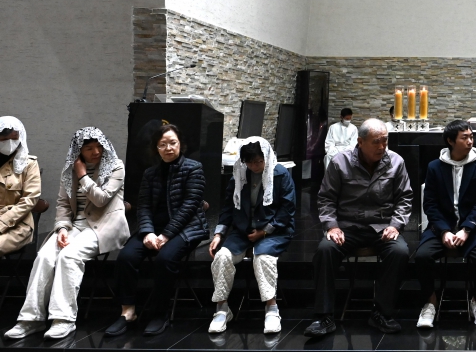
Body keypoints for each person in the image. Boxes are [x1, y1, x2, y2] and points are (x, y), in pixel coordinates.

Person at [5, 127, 128, 340]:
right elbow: (63, 204)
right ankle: (30, 319)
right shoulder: (69, 169)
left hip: (103, 226)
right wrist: (62, 228)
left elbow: (101, 199)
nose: (96, 152)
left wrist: (82, 175)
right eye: (89, 148)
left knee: (69, 256)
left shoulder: (115, 166)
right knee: (44, 256)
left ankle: (64, 320)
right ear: (79, 151)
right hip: (74, 226)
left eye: (98, 146)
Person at [306, 118, 412, 336]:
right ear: (360, 142)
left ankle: (382, 312)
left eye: (385, 141)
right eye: (376, 142)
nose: (382, 146)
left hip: (382, 227)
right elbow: (326, 198)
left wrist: (395, 225)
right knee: (325, 250)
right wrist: (331, 226)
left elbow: (405, 198)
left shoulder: (396, 161)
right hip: (347, 226)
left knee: (400, 252)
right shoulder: (340, 162)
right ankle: (324, 317)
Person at [106, 124, 208, 337]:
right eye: (162, 144)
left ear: (180, 144)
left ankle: (160, 313)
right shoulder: (150, 173)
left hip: (186, 229)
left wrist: (166, 235)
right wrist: (148, 232)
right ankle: (127, 311)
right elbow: (143, 206)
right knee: (126, 257)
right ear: (156, 148)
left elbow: (190, 207)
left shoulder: (194, 168)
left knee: (165, 259)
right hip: (154, 230)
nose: (168, 148)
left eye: (172, 143)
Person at [208, 137, 296, 335]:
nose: (255, 166)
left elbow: (287, 209)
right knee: (222, 257)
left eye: (258, 161)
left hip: (275, 230)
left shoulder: (280, 174)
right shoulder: (239, 174)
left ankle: (271, 308)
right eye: (250, 162)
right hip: (244, 230)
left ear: (266, 157)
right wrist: (219, 234)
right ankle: (222, 309)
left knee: (263, 258)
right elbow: (228, 207)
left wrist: (264, 231)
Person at [415, 120, 476, 329]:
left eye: (471, 137)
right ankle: (430, 302)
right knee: (422, 257)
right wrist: (444, 231)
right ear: (450, 141)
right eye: (464, 138)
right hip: (441, 228)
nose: (470, 141)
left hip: (471, 228)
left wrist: (466, 229)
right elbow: (430, 204)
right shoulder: (435, 167)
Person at [0, 116, 41, 256]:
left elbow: (30, 200)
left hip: (17, 223)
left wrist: (2, 222)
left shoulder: (29, 164)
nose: (9, 143)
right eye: (4, 139)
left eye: (14, 138)